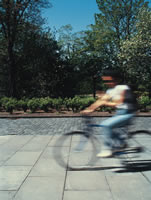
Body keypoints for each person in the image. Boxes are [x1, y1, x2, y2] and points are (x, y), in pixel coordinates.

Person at [81, 70, 136, 158]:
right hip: (119, 113)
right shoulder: (110, 90)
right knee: (112, 130)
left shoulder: (123, 88)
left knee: (106, 125)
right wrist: (89, 109)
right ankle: (121, 143)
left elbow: (118, 103)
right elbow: (100, 101)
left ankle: (107, 149)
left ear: (117, 80)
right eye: (105, 81)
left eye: (109, 81)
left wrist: (104, 102)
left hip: (127, 113)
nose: (107, 83)